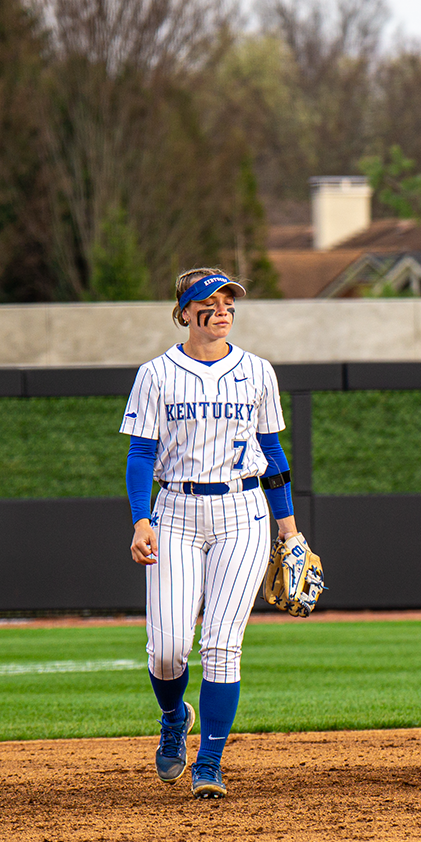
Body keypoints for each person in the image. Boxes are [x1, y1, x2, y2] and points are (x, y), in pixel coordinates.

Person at [121, 268, 297, 799]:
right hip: (175, 508)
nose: (221, 309)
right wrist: (140, 517)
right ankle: (174, 718)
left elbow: (273, 453)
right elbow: (141, 454)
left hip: (243, 512)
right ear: (184, 312)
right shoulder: (155, 373)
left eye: (228, 300)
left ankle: (210, 764)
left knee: (222, 645)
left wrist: (289, 530)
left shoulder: (258, 371)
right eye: (210, 300)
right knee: (168, 649)